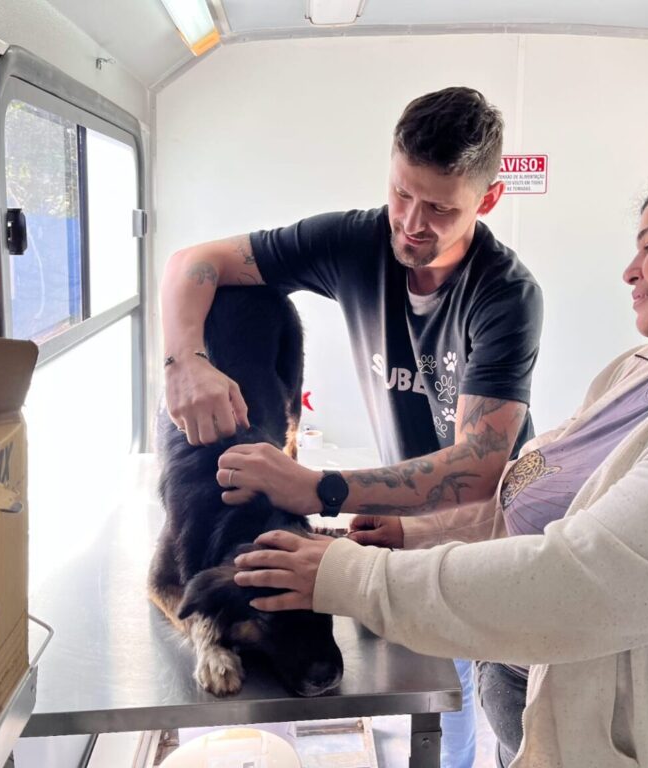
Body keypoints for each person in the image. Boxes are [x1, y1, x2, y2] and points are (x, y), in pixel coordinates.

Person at [231, 152, 648, 768]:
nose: (630, 272)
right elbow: (537, 493)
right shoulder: (645, 368)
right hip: (547, 715)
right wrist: (418, 533)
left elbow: (578, 585)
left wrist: (351, 576)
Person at [160, 86, 544, 767]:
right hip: (401, 524)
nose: (412, 224)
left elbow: (479, 468)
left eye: (440, 208)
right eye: (402, 194)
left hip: (493, 524)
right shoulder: (357, 240)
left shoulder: (505, 295)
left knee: (500, 694)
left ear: (487, 200)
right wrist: (185, 362)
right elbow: (194, 263)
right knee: (430, 684)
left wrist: (322, 489)